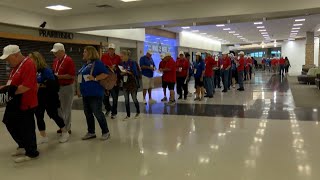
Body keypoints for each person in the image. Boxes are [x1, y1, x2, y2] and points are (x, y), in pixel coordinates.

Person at [0, 45, 39, 163]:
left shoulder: (28, 64)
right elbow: (13, 83)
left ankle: (31, 152)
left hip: (26, 102)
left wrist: (9, 91)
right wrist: (5, 88)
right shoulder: (16, 66)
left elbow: (26, 86)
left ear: (16, 55)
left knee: (27, 128)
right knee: (9, 122)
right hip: (15, 101)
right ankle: (22, 145)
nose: (7, 61)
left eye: (8, 58)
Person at [30, 51, 69, 144]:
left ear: (36, 59)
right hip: (38, 97)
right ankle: (43, 136)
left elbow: (53, 85)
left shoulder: (46, 70)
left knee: (54, 115)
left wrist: (41, 84)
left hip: (49, 97)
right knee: (39, 116)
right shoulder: (34, 70)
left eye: (31, 58)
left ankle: (65, 132)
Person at [78, 46, 110, 141]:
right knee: (88, 113)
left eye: (85, 51)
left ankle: (106, 132)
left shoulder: (98, 63)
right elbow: (80, 77)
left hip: (95, 93)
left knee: (98, 113)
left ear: (90, 53)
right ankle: (91, 132)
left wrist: (95, 78)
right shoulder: (85, 65)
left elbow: (105, 74)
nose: (83, 53)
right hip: (86, 93)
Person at [51, 43, 75, 134]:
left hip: (67, 87)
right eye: (54, 52)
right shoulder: (55, 61)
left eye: (56, 52)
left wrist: (58, 77)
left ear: (62, 51)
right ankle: (62, 125)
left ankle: (67, 127)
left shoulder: (69, 60)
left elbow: (71, 76)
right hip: (57, 87)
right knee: (58, 108)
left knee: (66, 108)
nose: (55, 54)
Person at [101, 43, 121, 119]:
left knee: (115, 97)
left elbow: (121, 67)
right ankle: (108, 109)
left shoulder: (118, 58)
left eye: (112, 49)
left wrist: (116, 68)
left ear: (114, 50)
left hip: (115, 80)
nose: (110, 51)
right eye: (109, 49)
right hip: (106, 80)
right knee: (105, 98)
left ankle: (114, 112)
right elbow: (101, 66)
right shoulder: (104, 56)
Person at [119, 50, 140, 120]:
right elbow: (120, 72)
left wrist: (128, 72)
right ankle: (128, 115)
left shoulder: (132, 62)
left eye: (122, 56)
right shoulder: (122, 63)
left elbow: (135, 73)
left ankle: (138, 112)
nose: (121, 58)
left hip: (132, 82)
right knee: (126, 99)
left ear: (126, 55)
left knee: (134, 98)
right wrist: (122, 73)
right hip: (125, 82)